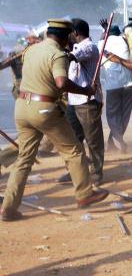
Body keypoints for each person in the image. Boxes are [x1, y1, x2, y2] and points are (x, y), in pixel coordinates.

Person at [0, 19, 109, 221]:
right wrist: (86, 90)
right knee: (74, 151)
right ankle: (85, 194)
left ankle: (8, 207)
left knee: (24, 159)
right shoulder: (57, 54)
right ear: (65, 36)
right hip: (44, 109)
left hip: (22, 107)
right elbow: (61, 82)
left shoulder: (31, 50)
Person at [57, 18, 105, 185]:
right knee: (73, 139)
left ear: (75, 33)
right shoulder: (75, 46)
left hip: (87, 102)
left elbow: (70, 57)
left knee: (93, 141)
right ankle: (75, 172)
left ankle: (97, 175)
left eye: (69, 32)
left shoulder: (89, 47)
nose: (67, 35)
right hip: (73, 101)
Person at [98, 25, 132, 153]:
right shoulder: (125, 41)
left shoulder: (102, 44)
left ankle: (118, 141)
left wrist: (104, 31)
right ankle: (113, 142)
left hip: (113, 87)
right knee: (123, 117)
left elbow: (101, 40)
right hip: (129, 86)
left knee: (112, 117)